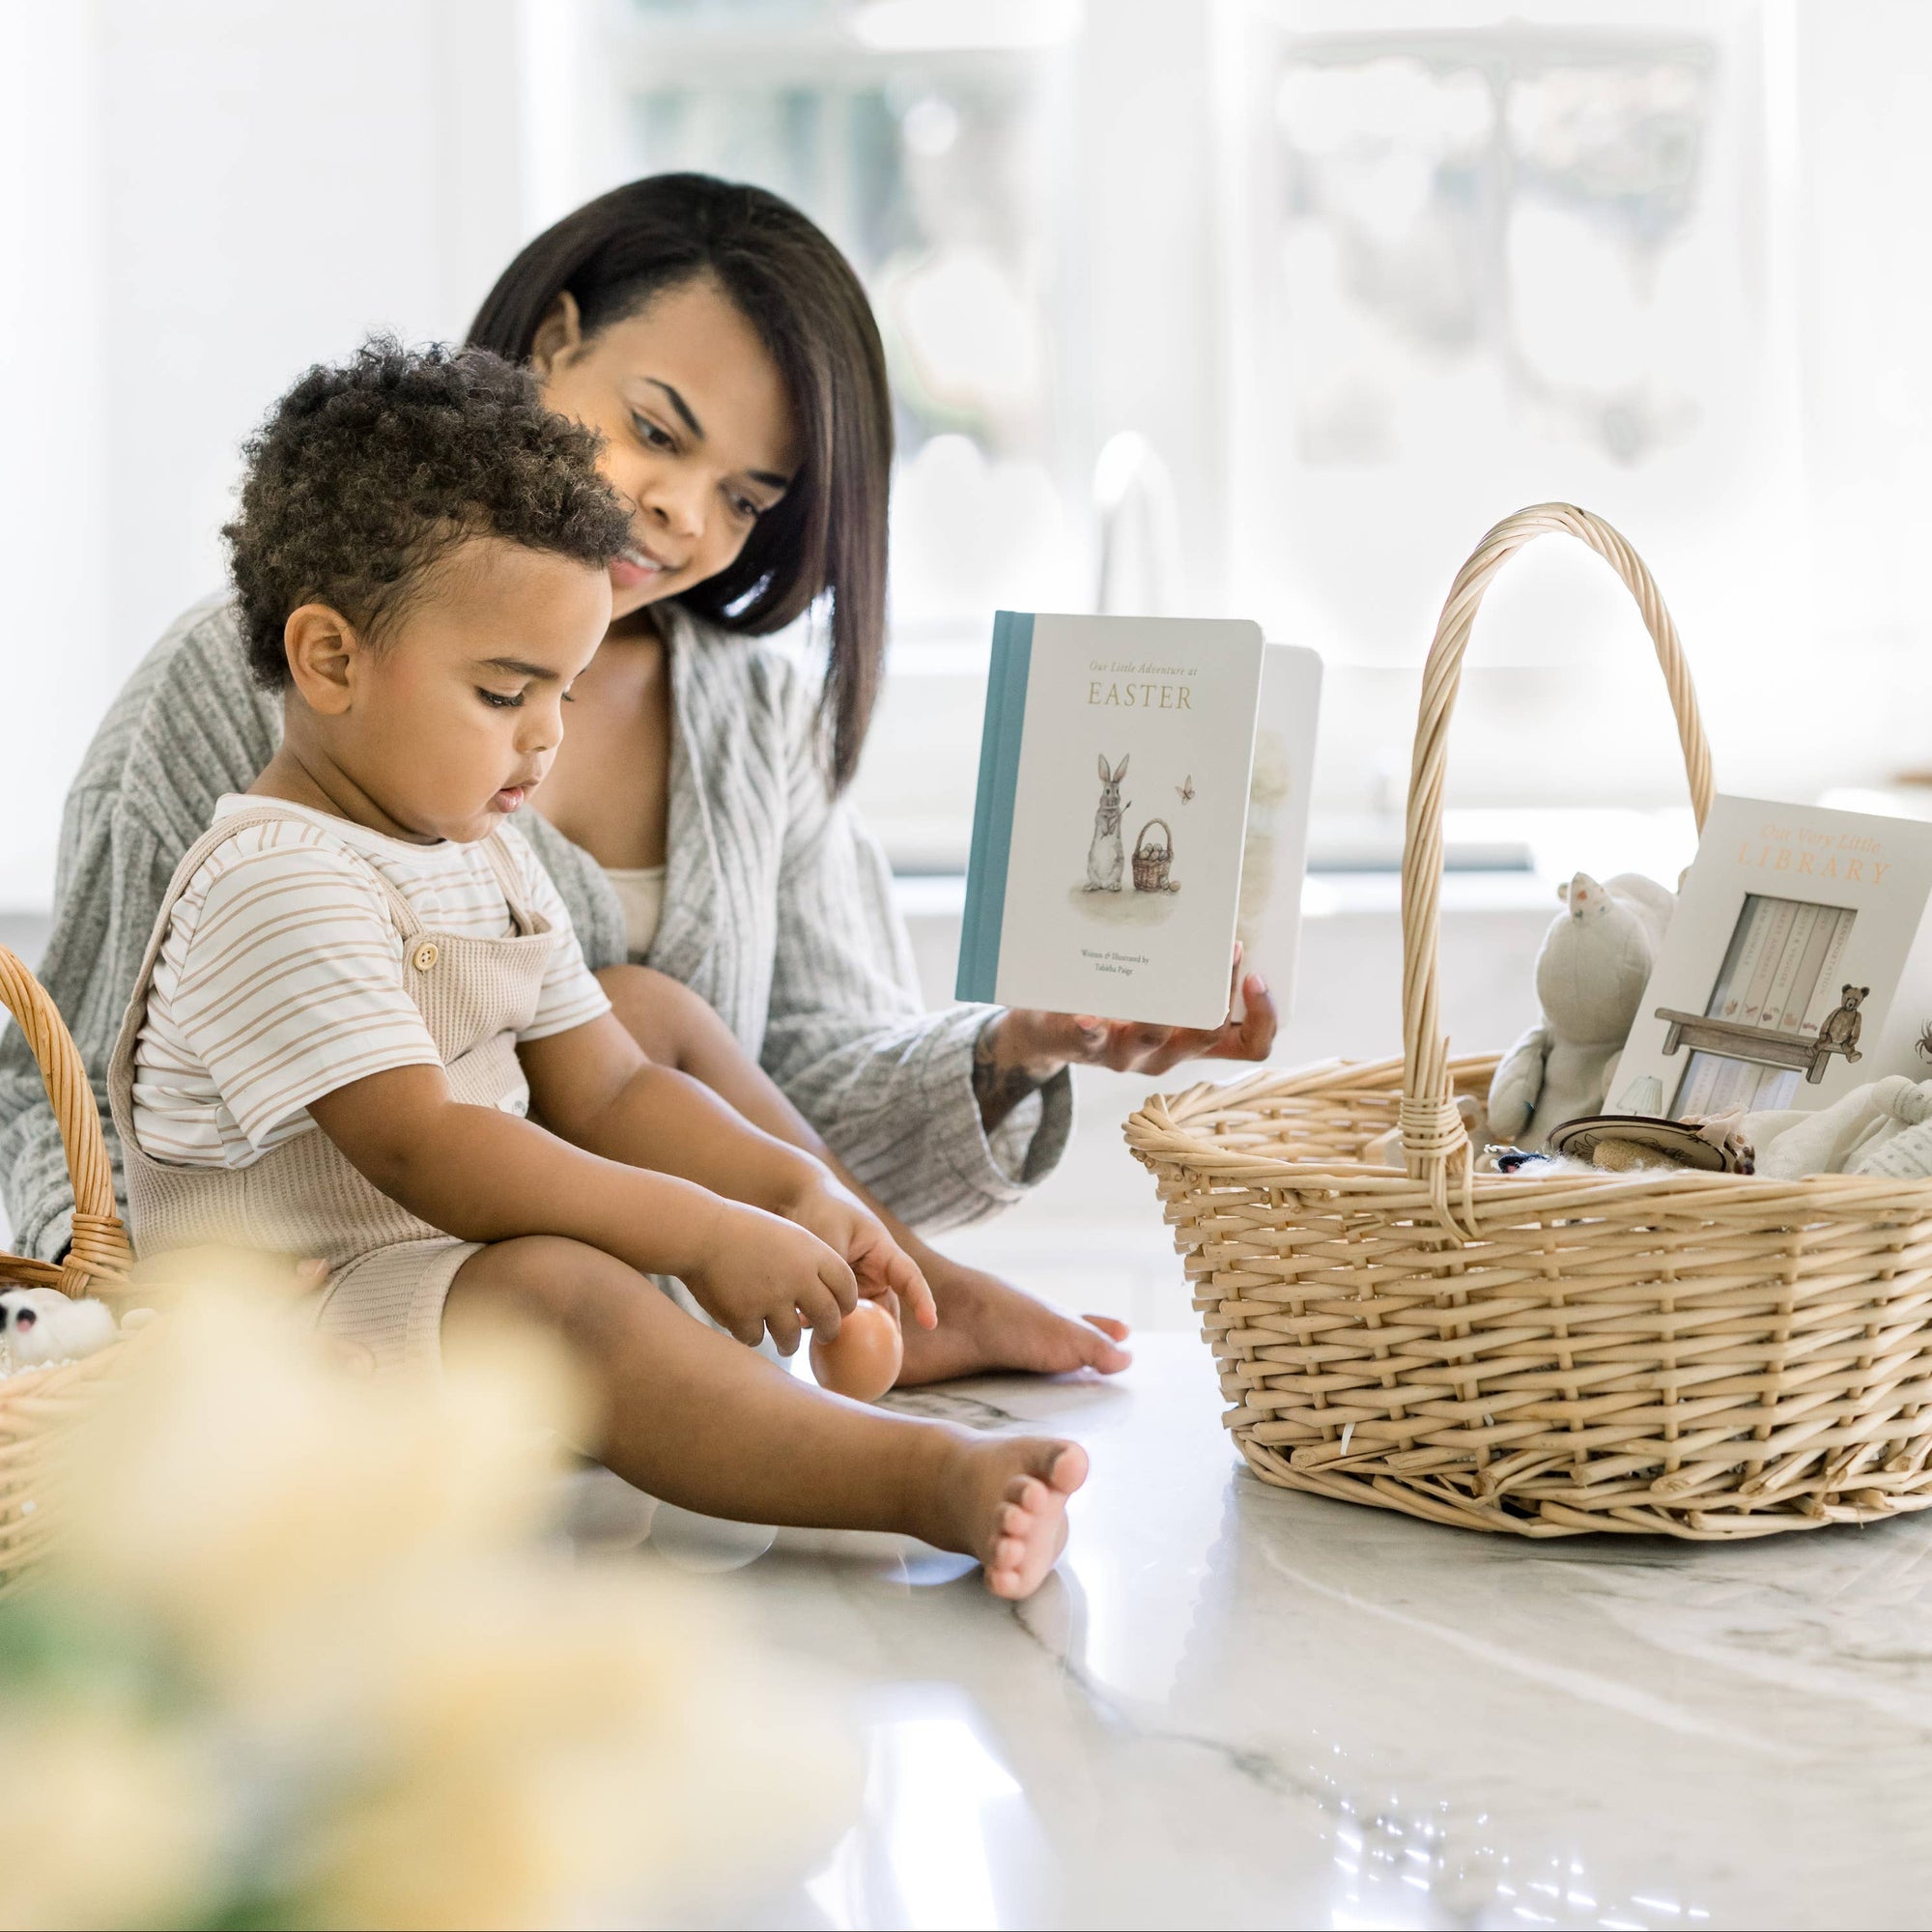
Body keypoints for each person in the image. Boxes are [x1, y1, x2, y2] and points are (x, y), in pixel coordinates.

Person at [0, 174, 1276, 1382]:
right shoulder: (256, 678)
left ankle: (911, 1291)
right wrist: (150, 1306)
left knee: (634, 1014)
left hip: (671, 1367)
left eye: (744, 498)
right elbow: (65, 1094)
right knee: (608, 1020)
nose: (680, 516)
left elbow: (793, 1087)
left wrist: (1013, 1048)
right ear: (551, 342)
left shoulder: (751, 706)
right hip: (370, 1322)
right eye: (654, 433)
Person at [112, 338, 1087, 1600]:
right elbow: (430, 1151)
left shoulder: (471, 844)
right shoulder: (276, 877)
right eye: (505, 690)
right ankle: (919, 1482)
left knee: (583, 1263)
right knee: (568, 1286)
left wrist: (792, 1191)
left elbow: (615, 1086)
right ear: (331, 660)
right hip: (296, 1336)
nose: (543, 738)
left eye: (561, 694)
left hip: (428, 1290)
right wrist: (701, 1226)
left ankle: (775, 1416)